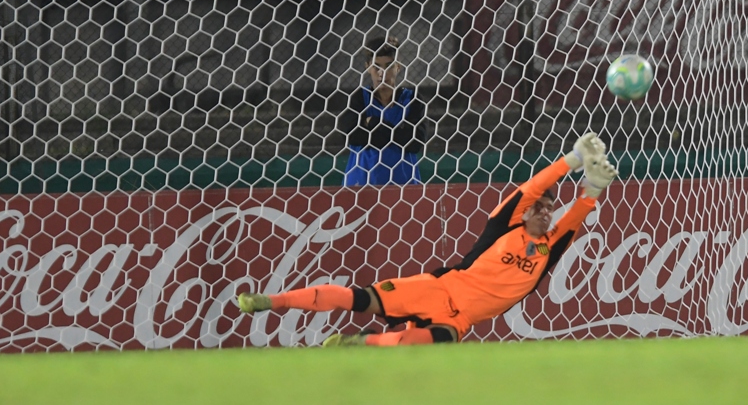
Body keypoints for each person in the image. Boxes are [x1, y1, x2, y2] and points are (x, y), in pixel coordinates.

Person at [237, 132, 615, 346]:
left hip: (461, 316)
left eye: (551, 209)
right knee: (358, 297)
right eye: (541, 207)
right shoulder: (505, 227)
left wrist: (594, 187)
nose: (546, 212)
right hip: (437, 288)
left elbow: (576, 217)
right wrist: (573, 159)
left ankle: (358, 344)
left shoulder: (549, 248)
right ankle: (269, 301)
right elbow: (530, 188)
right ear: (526, 212)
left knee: (438, 339)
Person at [339, 36, 427, 186]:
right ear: (367, 67)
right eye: (376, 66)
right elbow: (352, 137)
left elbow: (415, 144)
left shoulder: (412, 99)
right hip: (360, 186)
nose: (382, 73)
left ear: (398, 67)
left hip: (403, 185)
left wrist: (374, 123)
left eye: (388, 66)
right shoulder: (359, 98)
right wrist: (397, 134)